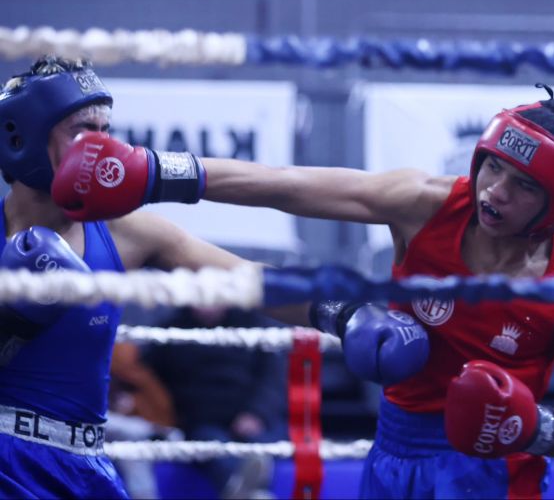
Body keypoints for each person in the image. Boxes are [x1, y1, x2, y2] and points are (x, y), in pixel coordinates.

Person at [53, 82, 554, 499]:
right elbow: (288, 183)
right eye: (494, 167)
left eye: (524, 185)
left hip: (497, 472)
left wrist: (532, 426)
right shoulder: (426, 205)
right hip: (393, 453)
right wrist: (153, 173)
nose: (495, 191)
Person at [0, 55, 429, 498]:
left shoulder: (125, 232)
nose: (101, 148)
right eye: (82, 132)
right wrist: (13, 320)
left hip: (83, 467)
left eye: (105, 131)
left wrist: (345, 314)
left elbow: (250, 279)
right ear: (23, 138)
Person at [137, 304, 288, 500]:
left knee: (261, 449)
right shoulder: (171, 331)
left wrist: (256, 413)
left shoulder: (253, 326)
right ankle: (251, 494)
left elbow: (273, 379)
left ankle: (247, 492)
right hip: (201, 423)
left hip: (254, 419)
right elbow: (144, 376)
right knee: (212, 448)